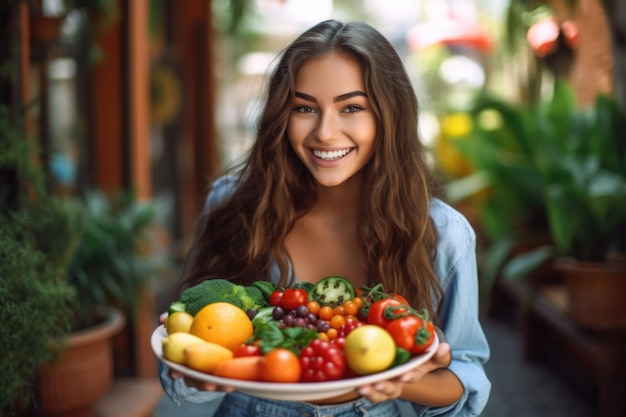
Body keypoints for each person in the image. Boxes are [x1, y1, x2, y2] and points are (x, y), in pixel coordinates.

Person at [159, 19, 490, 417]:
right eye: (304, 108)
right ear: (282, 114)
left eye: (351, 108)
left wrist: (406, 383)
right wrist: (195, 370)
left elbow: (465, 373)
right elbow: (186, 361)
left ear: (389, 116)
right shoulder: (232, 203)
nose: (325, 133)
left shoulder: (443, 232)